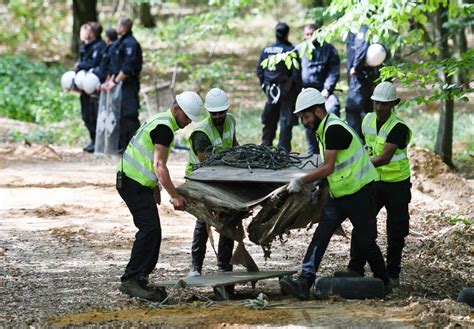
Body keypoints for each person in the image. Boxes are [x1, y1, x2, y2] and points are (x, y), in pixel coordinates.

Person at [279, 88, 391, 300]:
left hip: (361, 192)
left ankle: (384, 280)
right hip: (340, 194)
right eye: (303, 117)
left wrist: (301, 181)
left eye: (306, 116)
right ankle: (304, 281)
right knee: (321, 236)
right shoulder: (324, 129)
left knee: (366, 242)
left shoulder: (333, 129)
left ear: (318, 111)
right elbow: (332, 166)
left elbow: (329, 167)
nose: (304, 121)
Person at [116, 91, 203, 301]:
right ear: (176, 109)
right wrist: (175, 196)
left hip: (134, 181)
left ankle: (140, 277)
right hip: (132, 182)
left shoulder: (159, 120)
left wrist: (154, 186)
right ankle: (132, 279)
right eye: (186, 117)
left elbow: (145, 156)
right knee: (149, 230)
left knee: (152, 230)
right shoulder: (164, 128)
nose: (188, 121)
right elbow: (159, 164)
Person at [335, 82, 411, 288]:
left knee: (396, 231)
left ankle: (392, 274)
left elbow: (385, 158)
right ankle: (355, 268)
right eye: (377, 103)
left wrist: (356, 164)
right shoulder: (367, 120)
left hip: (397, 184)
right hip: (373, 181)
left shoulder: (398, 127)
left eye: (384, 104)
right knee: (362, 223)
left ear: (394, 103)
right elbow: (361, 145)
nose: (379, 107)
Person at [185, 88, 238, 277]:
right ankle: (195, 267)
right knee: (204, 220)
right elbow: (205, 165)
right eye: (213, 113)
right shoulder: (201, 132)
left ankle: (224, 266)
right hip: (202, 178)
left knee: (228, 219)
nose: (217, 116)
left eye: (220, 112)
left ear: (226, 109)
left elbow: (233, 145)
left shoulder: (230, 120)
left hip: (223, 176)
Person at [256, 22, 302, 152]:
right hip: (287, 91)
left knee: (269, 120)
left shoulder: (266, 50)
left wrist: (265, 87)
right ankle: (283, 152)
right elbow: (296, 74)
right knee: (285, 121)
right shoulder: (290, 51)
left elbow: (260, 71)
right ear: (287, 34)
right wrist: (298, 92)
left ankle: (265, 149)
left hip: (270, 90)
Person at [299, 23, 341, 155]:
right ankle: (313, 151)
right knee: (307, 117)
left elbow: (334, 70)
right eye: (307, 34)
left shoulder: (328, 49)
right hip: (305, 92)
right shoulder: (300, 50)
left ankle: (333, 147)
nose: (309, 37)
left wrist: (327, 89)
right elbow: (294, 72)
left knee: (333, 107)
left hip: (324, 91)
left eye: (312, 34)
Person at [104, 18, 143, 154]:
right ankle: (122, 145)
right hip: (119, 84)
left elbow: (128, 67)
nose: (117, 28)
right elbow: (115, 65)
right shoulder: (120, 43)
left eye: (119, 25)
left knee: (129, 113)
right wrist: (111, 80)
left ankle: (136, 145)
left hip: (128, 84)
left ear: (124, 27)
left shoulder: (130, 43)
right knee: (119, 113)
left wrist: (115, 82)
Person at [75, 22, 106, 153]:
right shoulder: (84, 46)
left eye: (84, 31)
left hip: (95, 86)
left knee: (95, 114)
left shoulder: (100, 46)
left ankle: (99, 142)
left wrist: (81, 65)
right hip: (84, 87)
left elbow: (95, 64)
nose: (81, 33)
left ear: (92, 34)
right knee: (86, 115)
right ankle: (93, 140)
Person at [345, 25, 379, 137]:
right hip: (363, 77)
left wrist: (356, 67)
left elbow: (362, 46)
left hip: (360, 77)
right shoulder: (362, 27)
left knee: (353, 109)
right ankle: (367, 144)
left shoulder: (361, 27)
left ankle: (357, 142)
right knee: (366, 110)